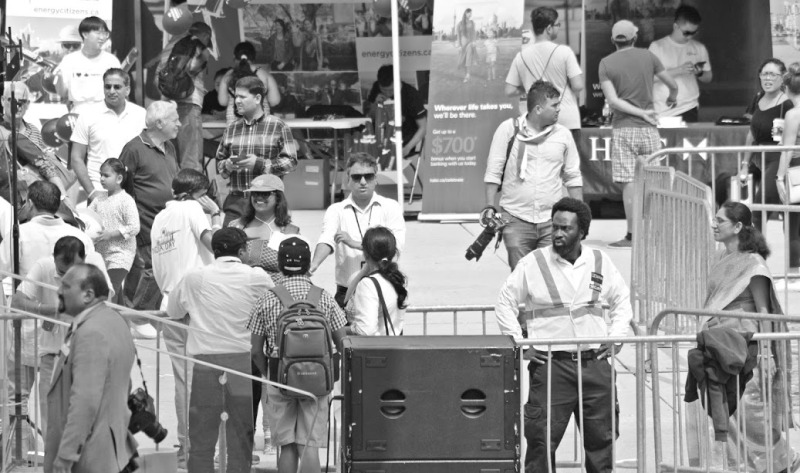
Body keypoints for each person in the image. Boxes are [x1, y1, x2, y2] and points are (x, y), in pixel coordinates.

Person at [494, 197, 632, 473]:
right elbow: (504, 303)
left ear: (582, 232)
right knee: (541, 442)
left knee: (601, 441)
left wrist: (615, 338)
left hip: (595, 366)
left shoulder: (599, 260)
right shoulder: (533, 263)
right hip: (552, 367)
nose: (558, 233)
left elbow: (622, 301)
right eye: (555, 227)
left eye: (565, 228)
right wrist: (520, 345)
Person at [698, 202, 800, 471]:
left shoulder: (754, 265)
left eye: (720, 220)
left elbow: (765, 312)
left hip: (747, 352)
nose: (714, 224)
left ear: (738, 226)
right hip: (719, 348)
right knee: (726, 416)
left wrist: (767, 355)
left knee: (752, 418)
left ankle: (783, 461)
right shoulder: (720, 258)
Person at [166, 227, 274, 473]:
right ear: (243, 250)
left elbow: (173, 312)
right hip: (244, 363)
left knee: (203, 435)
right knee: (240, 433)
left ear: (213, 251)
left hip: (207, 361)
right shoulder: (256, 277)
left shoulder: (194, 277)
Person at [248, 237, 347, 473]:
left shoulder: (268, 298)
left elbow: (255, 349)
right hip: (317, 382)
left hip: (280, 379)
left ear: (280, 265)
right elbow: (343, 343)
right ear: (308, 264)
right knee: (309, 445)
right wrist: (329, 372)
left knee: (287, 446)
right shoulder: (324, 297)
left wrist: (270, 374)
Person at [11, 237, 112, 444]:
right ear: (54, 259)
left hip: (86, 353)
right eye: (61, 272)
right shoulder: (44, 267)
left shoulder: (95, 269)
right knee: (52, 420)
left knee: (88, 415)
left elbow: (106, 304)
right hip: (52, 355)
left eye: (71, 273)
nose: (65, 278)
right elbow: (17, 300)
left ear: (84, 261)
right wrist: (45, 310)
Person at [151, 168, 221, 465]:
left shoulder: (159, 218)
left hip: (169, 303)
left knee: (183, 381)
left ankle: (186, 446)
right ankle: (200, 449)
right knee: (204, 379)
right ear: (199, 193)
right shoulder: (194, 209)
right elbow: (216, 244)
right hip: (195, 305)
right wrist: (216, 215)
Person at [44, 263, 138, 473]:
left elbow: (85, 402)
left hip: (90, 456)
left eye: (66, 287)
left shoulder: (91, 333)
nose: (59, 291)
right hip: (109, 450)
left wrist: (66, 455)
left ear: (88, 295)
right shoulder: (113, 320)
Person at [485, 81, 583, 270]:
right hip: (514, 218)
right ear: (538, 108)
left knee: (551, 275)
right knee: (523, 275)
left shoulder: (563, 135)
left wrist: (580, 214)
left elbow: (572, 176)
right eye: (554, 105)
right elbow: (493, 171)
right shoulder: (508, 130)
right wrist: (490, 206)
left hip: (552, 221)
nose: (558, 110)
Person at [599, 20, 678, 248]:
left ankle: (633, 236)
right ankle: (661, 233)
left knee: (629, 184)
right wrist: (670, 98)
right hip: (649, 129)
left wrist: (639, 113)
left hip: (624, 128)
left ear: (613, 40)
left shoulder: (605, 63)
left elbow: (613, 101)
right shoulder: (648, 57)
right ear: (635, 37)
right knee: (658, 180)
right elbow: (672, 84)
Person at [309, 153, 406, 308]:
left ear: (376, 179)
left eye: (368, 176)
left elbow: (394, 248)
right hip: (346, 291)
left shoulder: (391, 206)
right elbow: (327, 239)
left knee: (387, 333)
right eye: (356, 177)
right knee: (347, 333)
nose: (362, 182)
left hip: (384, 286)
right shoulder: (336, 210)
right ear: (348, 179)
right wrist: (313, 265)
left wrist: (355, 244)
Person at [119, 100, 181, 338]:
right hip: (145, 219)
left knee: (158, 268)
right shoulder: (134, 149)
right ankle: (138, 316)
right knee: (151, 268)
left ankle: (144, 315)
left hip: (167, 220)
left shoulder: (170, 147)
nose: (179, 123)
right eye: (175, 119)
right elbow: (120, 185)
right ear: (159, 123)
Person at [216, 75, 298, 225]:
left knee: (265, 247)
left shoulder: (278, 126)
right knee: (227, 245)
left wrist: (260, 164)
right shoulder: (232, 129)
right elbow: (219, 162)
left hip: (266, 202)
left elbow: (291, 162)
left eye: (242, 97)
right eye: (235, 96)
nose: (237, 101)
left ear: (257, 98)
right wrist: (226, 165)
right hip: (236, 201)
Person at [742, 60, 797, 273]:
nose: (768, 78)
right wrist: (745, 163)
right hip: (762, 160)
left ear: (783, 78)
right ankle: (768, 267)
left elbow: (790, 140)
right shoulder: (758, 98)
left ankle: (758, 266)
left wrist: (781, 174)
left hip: (781, 161)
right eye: (764, 74)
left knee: (759, 212)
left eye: (773, 75)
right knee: (786, 217)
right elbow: (751, 133)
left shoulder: (788, 104)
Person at [70, 68, 146, 201]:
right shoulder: (88, 115)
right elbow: (76, 158)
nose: (111, 91)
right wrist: (92, 192)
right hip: (100, 192)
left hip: (133, 193)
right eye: (107, 86)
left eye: (117, 87)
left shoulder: (141, 115)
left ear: (127, 90)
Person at [505, 7, 584, 131]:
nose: (559, 28)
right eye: (557, 25)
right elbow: (578, 85)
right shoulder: (565, 52)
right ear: (548, 28)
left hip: (537, 122)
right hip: (565, 119)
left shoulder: (520, 57)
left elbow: (510, 90)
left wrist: (530, 87)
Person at [0, 82, 72, 196]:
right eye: (12, 101)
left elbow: (45, 162)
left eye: (22, 102)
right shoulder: (2, 130)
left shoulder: (33, 130)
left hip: (39, 195)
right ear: (3, 101)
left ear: (28, 104)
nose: (17, 106)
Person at [156, 27, 212, 171]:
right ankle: (190, 192)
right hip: (189, 104)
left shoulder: (170, 46)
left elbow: (158, 78)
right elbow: (193, 68)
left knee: (169, 158)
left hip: (167, 105)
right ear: (205, 36)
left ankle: (172, 192)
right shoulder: (201, 49)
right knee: (191, 158)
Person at [228, 174, 300, 278]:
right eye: (255, 193)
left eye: (265, 194)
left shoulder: (290, 231)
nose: (259, 197)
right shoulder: (236, 226)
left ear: (278, 198)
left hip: (277, 292)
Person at [649, 5, 712, 122]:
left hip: (689, 106)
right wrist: (679, 70)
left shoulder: (699, 48)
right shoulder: (657, 47)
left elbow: (708, 77)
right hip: (662, 110)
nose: (690, 36)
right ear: (675, 26)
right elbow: (648, 77)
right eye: (686, 32)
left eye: (694, 32)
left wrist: (699, 73)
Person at [89, 158, 139, 303]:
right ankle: (123, 323)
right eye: (101, 175)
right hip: (101, 254)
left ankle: (107, 322)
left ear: (119, 178)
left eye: (106, 175)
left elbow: (134, 227)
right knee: (115, 294)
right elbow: (87, 217)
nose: (102, 179)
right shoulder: (98, 199)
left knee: (109, 291)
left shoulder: (126, 200)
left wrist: (110, 234)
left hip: (121, 255)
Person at [344, 226, 407, 336]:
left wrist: (341, 330)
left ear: (365, 253)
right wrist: (364, 271)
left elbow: (366, 330)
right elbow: (347, 299)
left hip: (375, 350)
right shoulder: (396, 279)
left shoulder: (368, 284)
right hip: (394, 345)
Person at [54, 16, 121, 113]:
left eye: (105, 34)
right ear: (85, 34)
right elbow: (62, 93)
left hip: (105, 112)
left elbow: (119, 92)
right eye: (98, 33)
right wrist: (58, 77)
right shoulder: (69, 60)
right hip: (78, 112)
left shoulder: (112, 61)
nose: (102, 38)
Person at [366, 65, 427, 157]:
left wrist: (407, 148)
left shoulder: (411, 95)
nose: (387, 93)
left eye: (391, 90)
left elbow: (423, 127)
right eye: (384, 90)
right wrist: (375, 105)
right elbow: (369, 118)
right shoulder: (376, 87)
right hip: (380, 134)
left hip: (404, 136)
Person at [217, 41, 281, 125]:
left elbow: (222, 102)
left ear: (234, 56)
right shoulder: (264, 74)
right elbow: (275, 101)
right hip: (260, 125)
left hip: (235, 126)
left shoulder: (228, 75)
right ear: (254, 56)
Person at [777, 63, 800, 288]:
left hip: (796, 169)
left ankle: (795, 272)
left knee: (793, 222)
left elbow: (787, 149)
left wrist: (778, 176)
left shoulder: (794, 114)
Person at [456, 9, 477, 83]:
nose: (470, 15)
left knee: (468, 59)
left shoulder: (472, 22)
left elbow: (474, 33)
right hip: (462, 44)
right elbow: (458, 35)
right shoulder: (460, 24)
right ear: (465, 13)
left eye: (471, 13)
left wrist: (474, 41)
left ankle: (467, 75)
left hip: (470, 43)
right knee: (463, 61)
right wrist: (459, 45)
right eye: (469, 13)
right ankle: (466, 74)